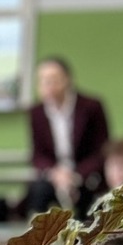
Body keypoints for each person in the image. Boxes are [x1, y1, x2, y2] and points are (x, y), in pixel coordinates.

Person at [25, 56, 110, 217]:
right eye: (43, 81)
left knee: (89, 201)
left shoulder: (91, 107)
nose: (48, 86)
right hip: (54, 176)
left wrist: (75, 175)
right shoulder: (36, 112)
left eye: (53, 80)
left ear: (67, 80)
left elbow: (101, 151)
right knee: (37, 191)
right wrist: (56, 174)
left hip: (84, 175)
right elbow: (38, 155)